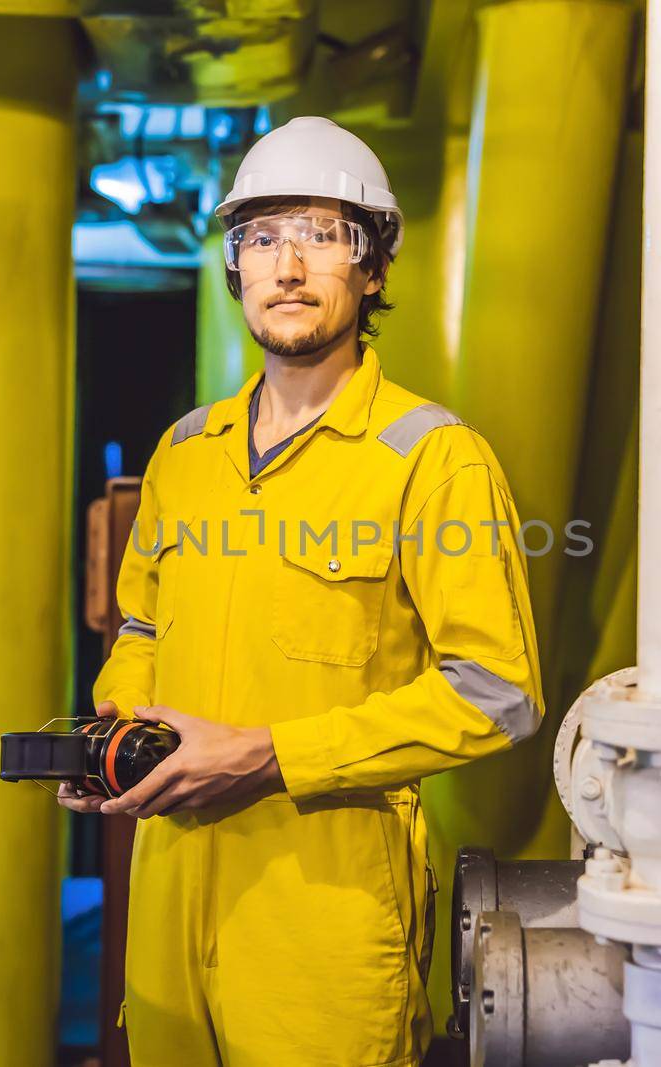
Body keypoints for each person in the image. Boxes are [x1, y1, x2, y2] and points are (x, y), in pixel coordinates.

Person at [59, 115, 544, 1067]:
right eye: (262, 237)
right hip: (167, 911)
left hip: (324, 919)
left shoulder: (432, 460)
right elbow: (145, 619)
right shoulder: (187, 452)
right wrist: (115, 732)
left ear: (373, 271)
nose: (288, 265)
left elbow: (500, 692)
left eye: (323, 235)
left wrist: (271, 754)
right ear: (236, 268)